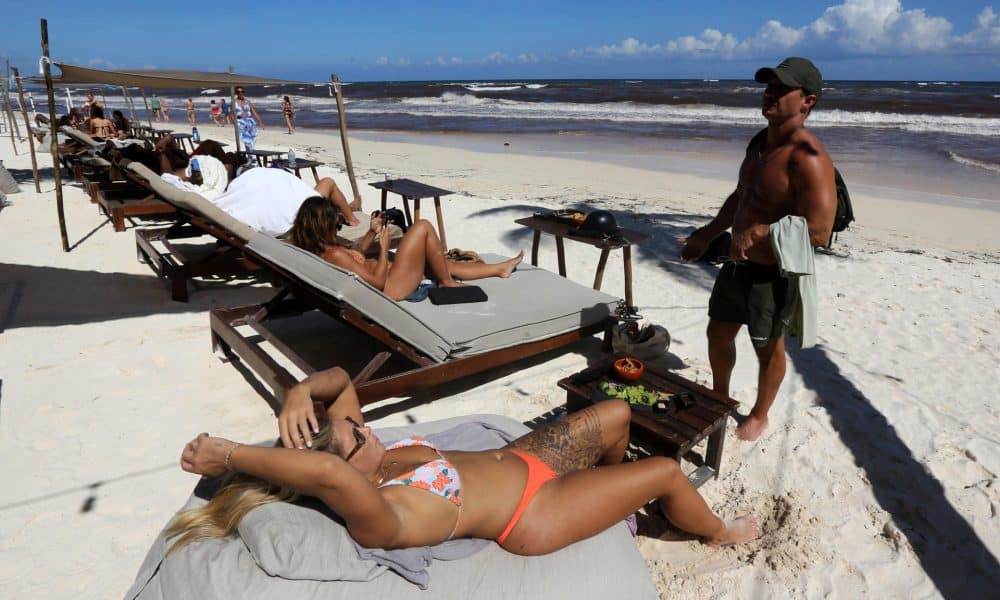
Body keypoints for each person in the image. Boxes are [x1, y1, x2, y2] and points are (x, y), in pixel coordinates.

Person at [172, 366, 758, 556]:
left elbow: (342, 380)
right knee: (663, 472)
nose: (361, 426)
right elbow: (324, 473)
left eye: (351, 422)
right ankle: (717, 535)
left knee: (616, 414)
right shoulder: (379, 511)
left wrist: (298, 392)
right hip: (531, 511)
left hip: (521, 458)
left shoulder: (366, 455)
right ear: (343, 475)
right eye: (353, 435)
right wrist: (227, 453)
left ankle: (613, 500)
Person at [680, 57, 836, 442]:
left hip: (772, 272)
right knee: (718, 332)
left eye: (782, 89)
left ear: (807, 102)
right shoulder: (759, 142)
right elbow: (742, 195)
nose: (770, 94)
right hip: (736, 263)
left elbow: (819, 231)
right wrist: (709, 232)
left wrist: (763, 232)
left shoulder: (809, 158)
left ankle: (761, 413)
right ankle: (719, 396)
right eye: (769, 86)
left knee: (767, 347)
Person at [290, 197, 523, 301]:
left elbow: (357, 256)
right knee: (422, 227)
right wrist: (382, 249)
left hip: (390, 277)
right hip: (391, 288)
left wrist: (372, 232)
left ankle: (499, 269)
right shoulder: (335, 254)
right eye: (336, 224)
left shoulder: (318, 248)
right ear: (323, 225)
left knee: (440, 263)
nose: (338, 226)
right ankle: (446, 283)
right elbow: (376, 284)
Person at [234, 87, 263, 151]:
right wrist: (234, 122)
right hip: (240, 122)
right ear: (236, 93)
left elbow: (254, 111)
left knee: (253, 138)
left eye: (242, 91)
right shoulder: (233, 102)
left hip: (250, 121)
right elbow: (231, 113)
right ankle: (250, 154)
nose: (241, 93)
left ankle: (250, 153)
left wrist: (260, 121)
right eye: (239, 92)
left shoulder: (248, 101)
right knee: (246, 139)